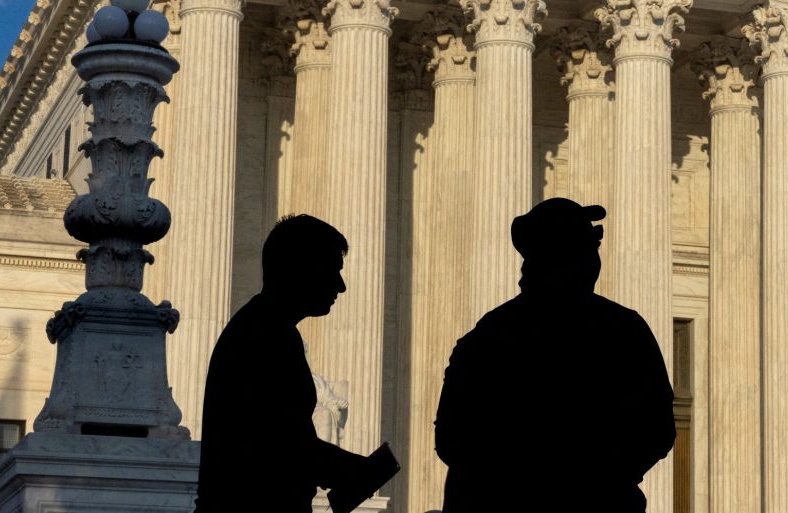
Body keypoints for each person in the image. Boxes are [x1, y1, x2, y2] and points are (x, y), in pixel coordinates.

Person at [435, 198, 675, 513]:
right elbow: (656, 430)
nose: (595, 259)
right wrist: (597, 475)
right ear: (567, 257)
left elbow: (451, 438)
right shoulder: (620, 330)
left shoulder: (488, 334)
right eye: (589, 247)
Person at [194, 215, 398, 513]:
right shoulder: (266, 335)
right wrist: (355, 469)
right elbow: (280, 448)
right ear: (301, 269)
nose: (340, 286)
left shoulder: (263, 327)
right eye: (332, 270)